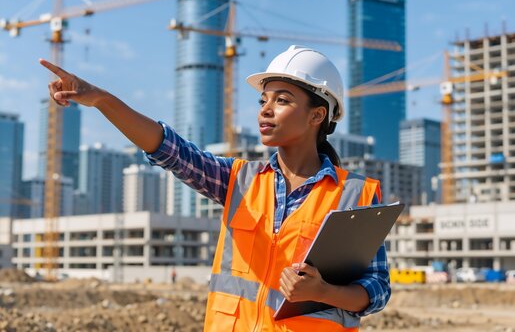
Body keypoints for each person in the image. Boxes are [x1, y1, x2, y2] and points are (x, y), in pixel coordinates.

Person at [40, 45, 390, 331]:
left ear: (318, 115)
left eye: (282, 100)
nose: (266, 110)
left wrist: (324, 291)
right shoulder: (239, 180)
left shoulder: (353, 195)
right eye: (263, 100)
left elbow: (376, 288)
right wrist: (102, 100)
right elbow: (170, 149)